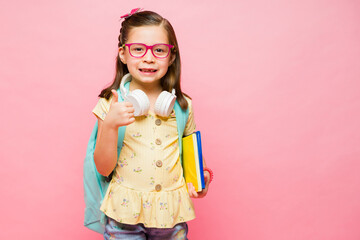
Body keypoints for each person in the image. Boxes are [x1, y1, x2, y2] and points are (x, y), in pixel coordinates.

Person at [92, 8, 213, 240]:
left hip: (171, 211)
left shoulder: (181, 104)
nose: (149, 58)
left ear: (172, 56)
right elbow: (103, 168)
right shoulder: (111, 102)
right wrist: (109, 125)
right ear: (122, 54)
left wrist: (202, 175)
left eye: (159, 50)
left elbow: (192, 153)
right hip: (124, 212)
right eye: (138, 49)